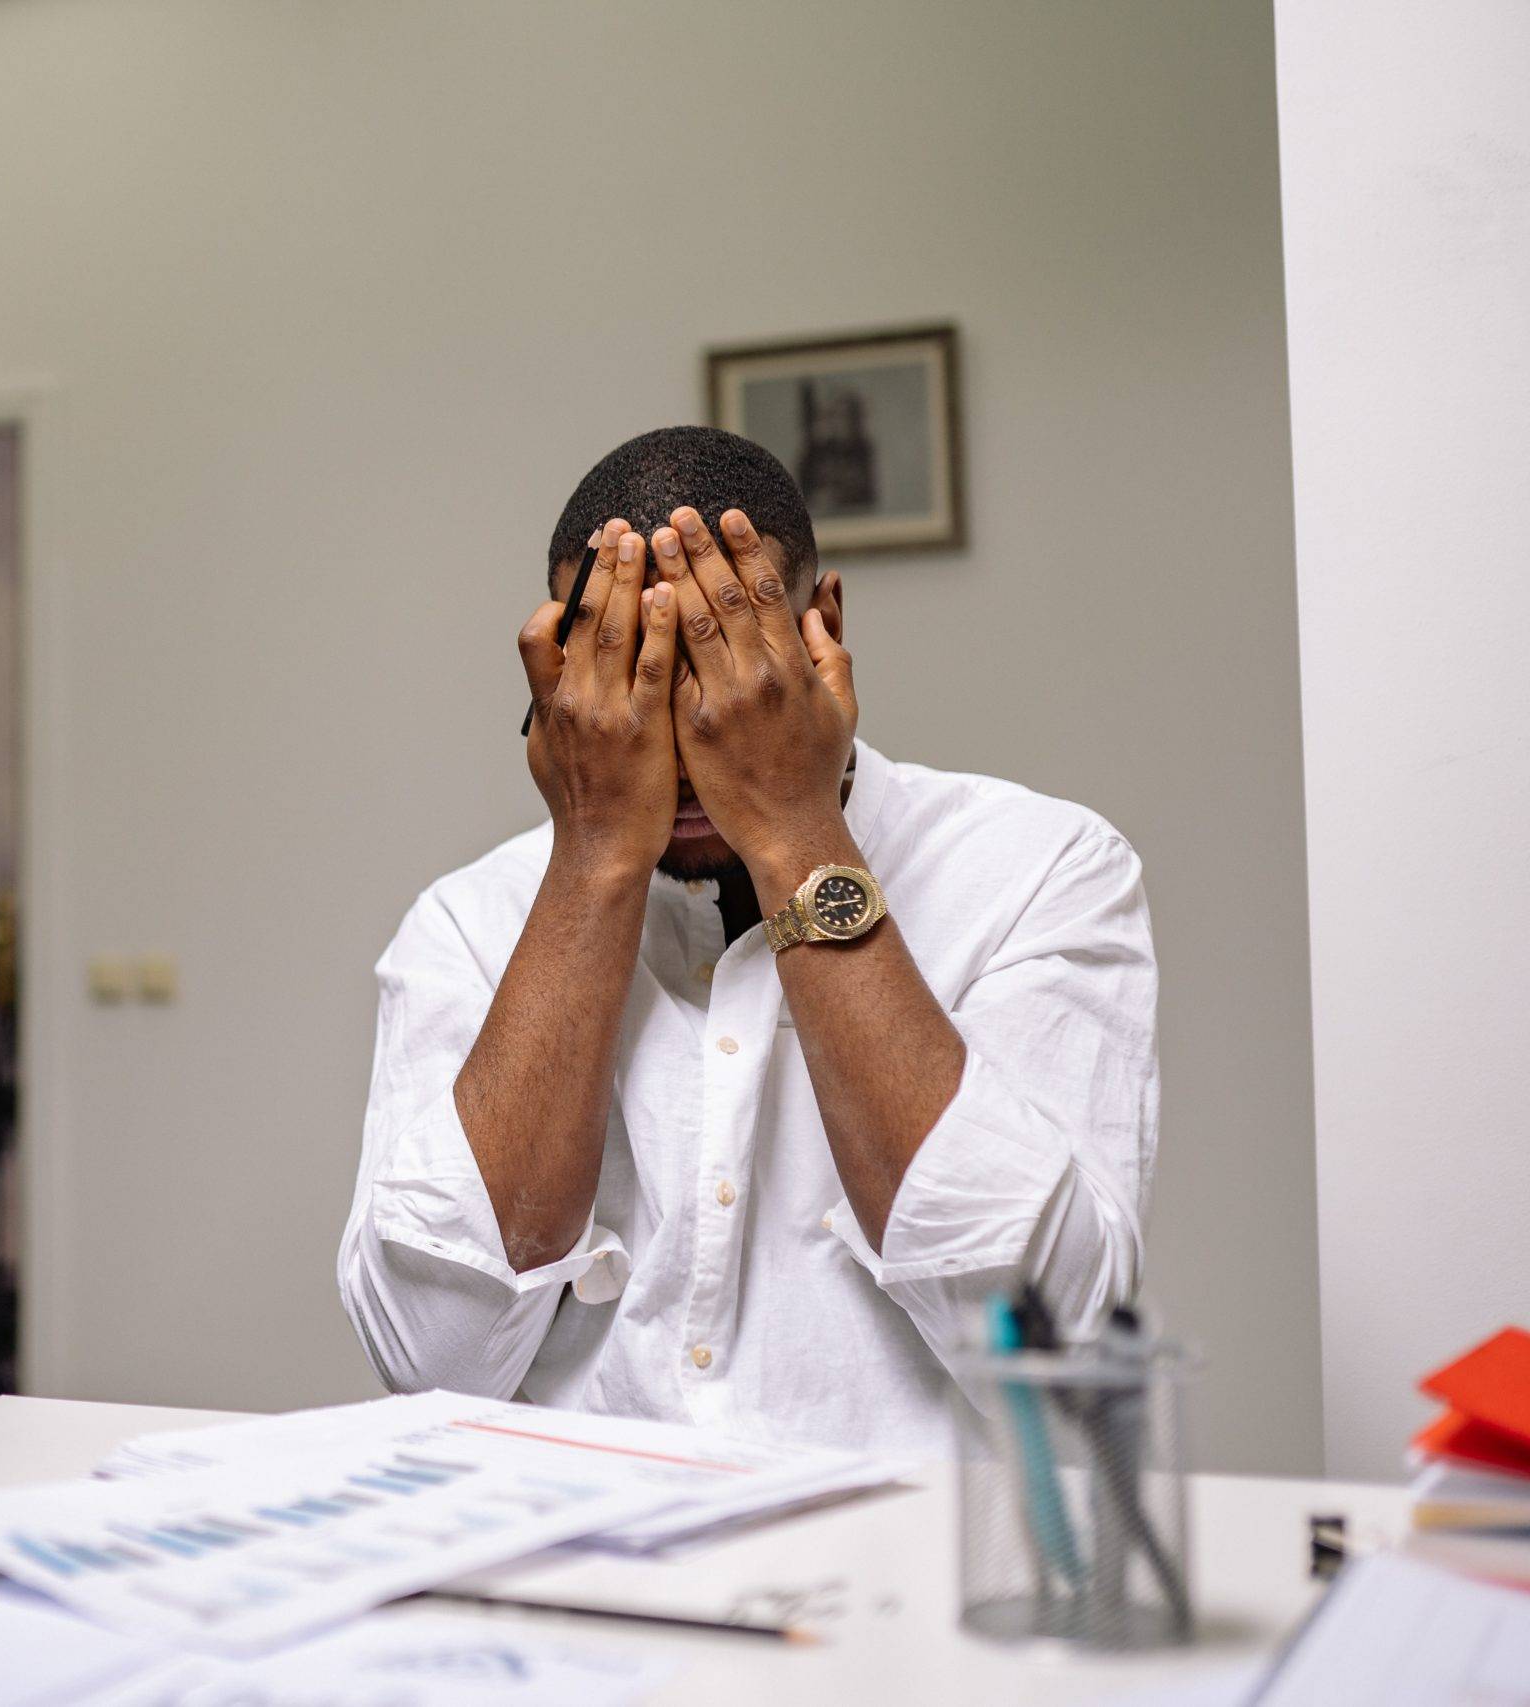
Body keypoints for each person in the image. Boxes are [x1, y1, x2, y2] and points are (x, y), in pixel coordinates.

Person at [337, 427, 1157, 1454]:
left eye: (717, 660)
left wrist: (791, 828)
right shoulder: (467, 923)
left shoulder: (1039, 867)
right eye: (615, 661)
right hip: (584, 1558)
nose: (672, 732)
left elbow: (1048, 1332)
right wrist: (594, 860)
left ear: (821, 628)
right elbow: (429, 1360)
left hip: (905, 1566)